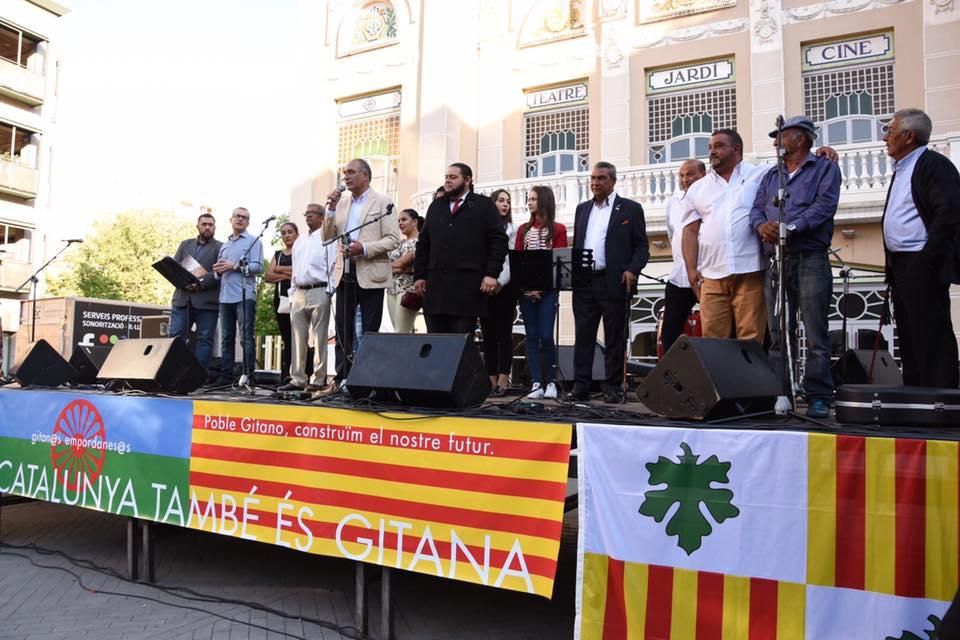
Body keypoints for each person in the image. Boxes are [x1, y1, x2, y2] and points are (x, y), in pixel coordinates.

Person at [749, 116, 841, 418]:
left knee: (815, 332)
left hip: (809, 258)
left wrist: (790, 227)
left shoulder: (825, 168)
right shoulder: (770, 175)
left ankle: (818, 395)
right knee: (778, 334)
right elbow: (756, 208)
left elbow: (824, 206)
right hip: (776, 260)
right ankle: (781, 394)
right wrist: (762, 226)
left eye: (781, 136)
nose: (776, 142)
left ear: (800, 139)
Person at [882, 108, 960, 388]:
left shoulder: (933, 165)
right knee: (910, 333)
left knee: (931, 333)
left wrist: (928, 258)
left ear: (909, 136)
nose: (885, 138)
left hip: (921, 261)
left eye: (890, 131)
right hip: (901, 264)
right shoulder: (902, 169)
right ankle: (915, 397)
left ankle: (940, 397)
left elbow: (949, 212)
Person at [569, 162, 649, 403]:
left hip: (614, 281)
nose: (595, 183)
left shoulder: (630, 209)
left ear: (613, 181)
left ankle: (612, 387)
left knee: (614, 337)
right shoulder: (582, 209)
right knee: (583, 337)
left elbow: (642, 247)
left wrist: (632, 270)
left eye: (601, 178)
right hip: (585, 283)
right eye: (592, 178)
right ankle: (580, 387)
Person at [681, 129, 768, 343]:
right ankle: (719, 379)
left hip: (751, 270)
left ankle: (747, 378)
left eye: (719, 146)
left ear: (736, 148)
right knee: (713, 340)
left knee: (751, 339)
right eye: (710, 147)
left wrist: (823, 153)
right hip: (711, 275)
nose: (712, 151)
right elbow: (690, 231)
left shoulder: (760, 174)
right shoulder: (698, 188)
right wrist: (691, 269)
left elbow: (794, 170)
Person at [323, 159, 400, 387]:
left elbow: (393, 239)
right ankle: (341, 378)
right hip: (344, 273)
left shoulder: (383, 202)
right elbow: (327, 237)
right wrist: (330, 209)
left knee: (370, 331)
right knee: (343, 330)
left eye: (351, 172)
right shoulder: (343, 204)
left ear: (365, 176)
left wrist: (364, 248)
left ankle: (368, 380)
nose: (345, 177)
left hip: (371, 273)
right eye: (344, 173)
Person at [413, 162, 508, 334]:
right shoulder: (436, 206)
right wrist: (419, 276)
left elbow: (498, 241)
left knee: (461, 344)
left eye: (453, 177)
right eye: (446, 177)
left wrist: (491, 274)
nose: (448, 181)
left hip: (467, 290)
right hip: (436, 290)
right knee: (435, 344)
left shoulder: (484, 205)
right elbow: (424, 244)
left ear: (467, 180)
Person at [279, 203, 340, 395]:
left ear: (322, 217)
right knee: (297, 336)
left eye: (313, 213)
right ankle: (297, 378)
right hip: (299, 291)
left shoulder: (327, 237)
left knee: (320, 336)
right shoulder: (300, 240)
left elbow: (334, 264)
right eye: (307, 213)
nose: (309, 217)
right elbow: (296, 267)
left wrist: (330, 289)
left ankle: (318, 378)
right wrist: (292, 291)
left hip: (319, 288)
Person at [516, 186, 567, 400]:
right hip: (527, 293)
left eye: (534, 199)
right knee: (532, 336)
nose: (529, 203)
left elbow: (560, 262)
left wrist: (542, 289)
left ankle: (551, 381)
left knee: (546, 335)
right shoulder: (523, 230)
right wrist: (527, 289)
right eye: (529, 199)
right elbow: (518, 260)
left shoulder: (558, 229)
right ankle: (536, 382)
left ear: (544, 201)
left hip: (547, 292)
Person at [211, 207, 263, 385]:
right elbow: (219, 270)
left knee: (246, 337)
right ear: (231, 220)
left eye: (244, 218)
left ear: (248, 222)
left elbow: (258, 267)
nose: (240, 219)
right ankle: (226, 375)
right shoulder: (225, 245)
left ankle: (248, 375)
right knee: (226, 338)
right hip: (225, 296)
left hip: (244, 295)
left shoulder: (253, 241)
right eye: (237, 216)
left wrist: (234, 266)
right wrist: (217, 270)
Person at [661, 160, 706, 354]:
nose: (685, 179)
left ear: (703, 175)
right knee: (670, 334)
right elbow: (674, 236)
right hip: (679, 277)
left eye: (690, 174)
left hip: (707, 276)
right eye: (681, 175)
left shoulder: (710, 196)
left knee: (713, 329)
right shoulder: (673, 202)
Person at [169, 212, 222, 373]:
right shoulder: (185, 244)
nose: (207, 227)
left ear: (214, 227)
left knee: (204, 340)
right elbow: (174, 268)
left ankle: (197, 375)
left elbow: (219, 272)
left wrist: (200, 283)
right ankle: (172, 372)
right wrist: (185, 284)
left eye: (210, 225)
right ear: (197, 226)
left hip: (207, 302)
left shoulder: (220, 247)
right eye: (204, 224)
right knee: (175, 337)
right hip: (182, 300)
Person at [480, 189, 517, 397]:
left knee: (504, 334)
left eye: (508, 202)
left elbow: (509, 259)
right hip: (485, 287)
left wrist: (500, 281)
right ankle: (490, 379)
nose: (505, 205)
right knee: (488, 335)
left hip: (505, 286)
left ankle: (504, 378)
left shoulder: (512, 229)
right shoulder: (483, 228)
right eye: (501, 200)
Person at [264, 221, 297, 383]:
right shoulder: (278, 254)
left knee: (298, 337)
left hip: (298, 298)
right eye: (283, 233)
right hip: (281, 299)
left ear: (296, 234)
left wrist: (279, 269)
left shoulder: (300, 251)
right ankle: (286, 374)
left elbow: (299, 271)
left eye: (290, 232)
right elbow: (268, 276)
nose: (287, 235)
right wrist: (286, 274)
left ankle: (299, 373)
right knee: (286, 337)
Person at [387, 209, 422, 334]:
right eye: (398, 221)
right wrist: (399, 267)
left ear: (415, 222)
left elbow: (399, 265)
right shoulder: (398, 244)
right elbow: (392, 266)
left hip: (407, 289)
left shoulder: (420, 242)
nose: (400, 223)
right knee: (397, 330)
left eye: (404, 219)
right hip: (391, 289)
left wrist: (398, 266)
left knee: (401, 332)